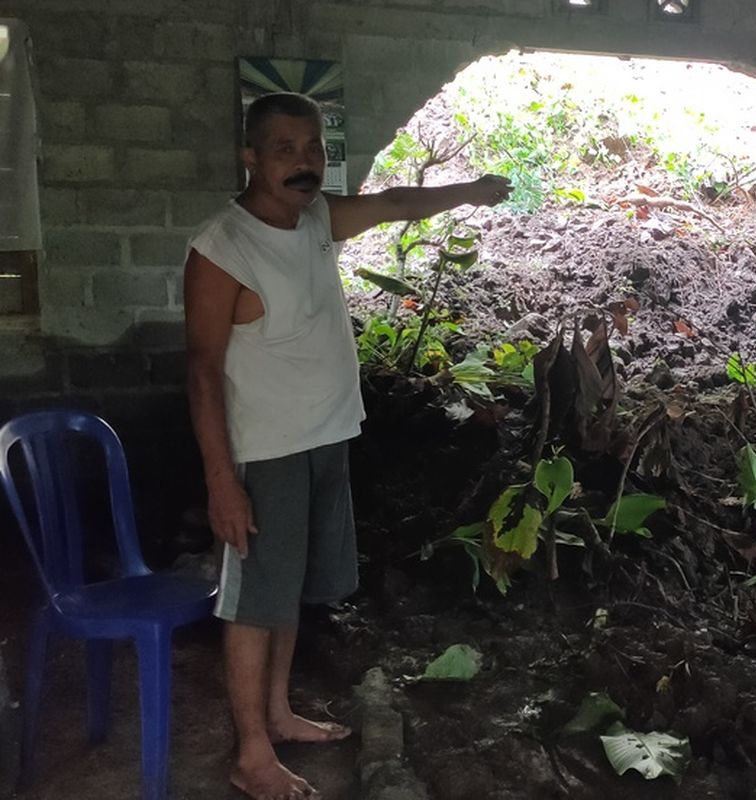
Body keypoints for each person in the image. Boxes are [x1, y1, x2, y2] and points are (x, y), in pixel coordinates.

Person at [184, 92, 511, 800]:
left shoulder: (317, 219)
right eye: (284, 150)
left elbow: (394, 202)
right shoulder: (222, 249)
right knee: (252, 603)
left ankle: (276, 714)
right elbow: (203, 371)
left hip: (324, 439)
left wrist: (473, 192)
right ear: (249, 156)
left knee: (288, 593)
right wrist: (221, 482)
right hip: (263, 452)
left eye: (313, 149)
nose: (303, 164)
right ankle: (250, 755)